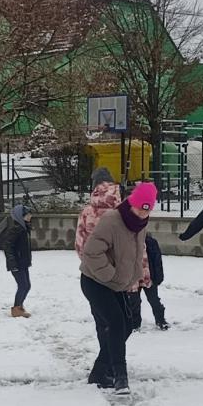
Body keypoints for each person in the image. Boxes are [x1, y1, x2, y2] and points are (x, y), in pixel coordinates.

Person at [80, 181, 156, 394]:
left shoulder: (141, 223)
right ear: (131, 202)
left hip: (117, 284)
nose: (143, 213)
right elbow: (91, 252)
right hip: (95, 281)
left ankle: (99, 371)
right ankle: (120, 377)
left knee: (128, 324)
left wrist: (138, 276)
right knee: (115, 323)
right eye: (140, 207)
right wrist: (110, 276)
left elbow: (136, 253)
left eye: (148, 209)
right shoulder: (113, 220)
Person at [76, 167, 122, 255]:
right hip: (119, 264)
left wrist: (89, 263)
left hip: (93, 262)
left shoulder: (87, 212)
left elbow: (80, 243)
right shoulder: (123, 210)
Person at [0, 204, 33, 318]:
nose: (30, 216)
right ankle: (16, 309)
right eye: (27, 214)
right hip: (17, 264)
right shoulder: (15, 230)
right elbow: (7, 247)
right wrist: (12, 263)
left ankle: (19, 306)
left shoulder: (24, 229)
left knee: (27, 286)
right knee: (23, 285)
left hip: (23, 263)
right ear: (20, 216)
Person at [143, 231, 170, 330]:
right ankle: (134, 323)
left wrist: (158, 277)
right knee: (133, 302)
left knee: (154, 300)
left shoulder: (151, 242)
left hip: (149, 276)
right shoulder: (128, 242)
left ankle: (160, 320)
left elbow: (157, 261)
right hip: (134, 277)